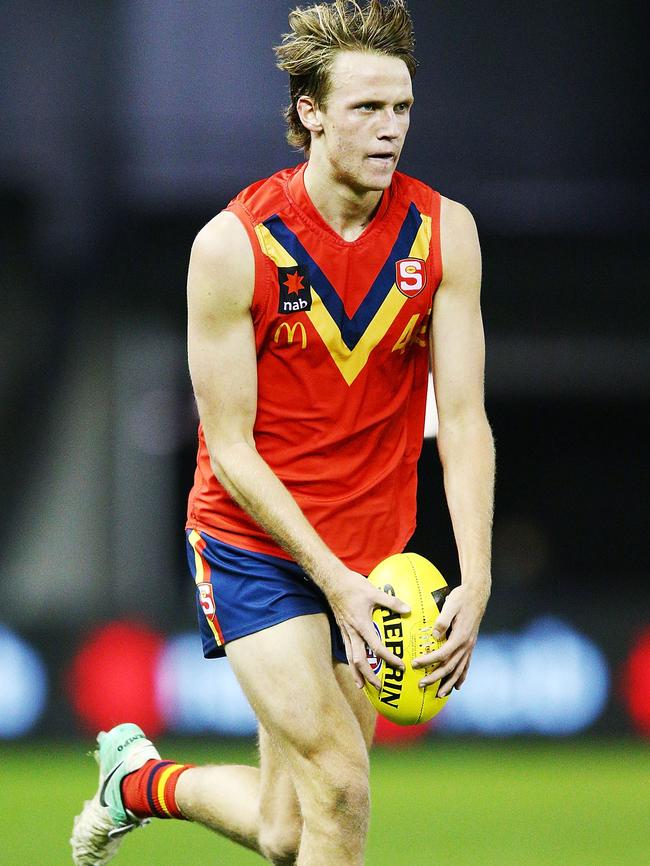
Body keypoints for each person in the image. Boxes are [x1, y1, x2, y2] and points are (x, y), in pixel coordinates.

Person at [71, 1, 494, 864]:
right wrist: (330, 580)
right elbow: (229, 449)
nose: (390, 131)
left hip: (375, 556)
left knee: (287, 827)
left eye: (402, 109)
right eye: (366, 109)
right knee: (341, 786)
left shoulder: (446, 234)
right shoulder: (233, 246)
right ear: (310, 112)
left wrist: (477, 577)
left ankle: (135, 783)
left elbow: (463, 420)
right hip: (254, 544)